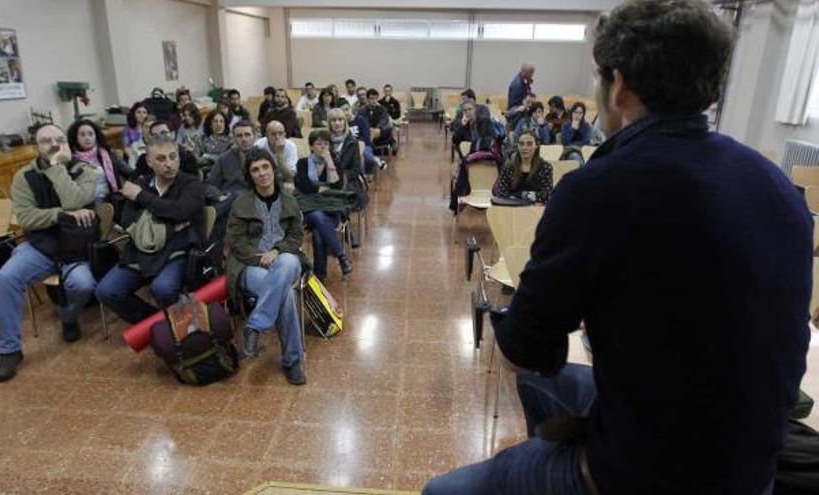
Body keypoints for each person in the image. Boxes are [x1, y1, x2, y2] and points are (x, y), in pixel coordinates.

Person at [424, 1, 810, 494]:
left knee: (442, 491)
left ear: (619, 85)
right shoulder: (777, 186)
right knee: (543, 386)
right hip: (752, 467)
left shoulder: (597, 189)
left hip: (654, 475)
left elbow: (524, 348)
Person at [0, 123, 99, 382]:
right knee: (6, 278)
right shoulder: (23, 176)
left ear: (67, 143)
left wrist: (56, 168)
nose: (53, 145)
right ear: (36, 147)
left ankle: (68, 316)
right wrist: (62, 215)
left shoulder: (85, 170)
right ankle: (9, 350)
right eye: (46, 141)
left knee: (84, 285)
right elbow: (27, 218)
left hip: (76, 247)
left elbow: (76, 200)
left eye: (59, 139)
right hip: (39, 247)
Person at [96, 134, 206, 325]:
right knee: (106, 291)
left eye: (173, 157)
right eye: (161, 159)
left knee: (162, 287)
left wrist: (142, 199)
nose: (169, 164)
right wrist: (170, 224)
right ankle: (156, 323)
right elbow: (128, 221)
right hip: (141, 251)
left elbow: (181, 211)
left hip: (178, 251)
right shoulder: (140, 184)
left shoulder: (191, 184)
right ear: (149, 161)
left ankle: (188, 326)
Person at [226, 148, 307, 385]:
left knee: (287, 262)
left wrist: (277, 251)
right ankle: (292, 361)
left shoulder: (289, 201)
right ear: (250, 176)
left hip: (284, 258)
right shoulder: (241, 203)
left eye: (265, 167)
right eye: (255, 170)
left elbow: (296, 236)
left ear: (273, 169)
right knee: (286, 297)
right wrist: (261, 257)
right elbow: (236, 242)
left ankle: (255, 325)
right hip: (249, 264)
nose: (261, 173)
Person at [207, 120, 282, 247]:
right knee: (226, 216)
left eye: (247, 135)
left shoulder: (264, 157)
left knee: (237, 197)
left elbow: (277, 182)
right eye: (239, 136)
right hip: (229, 205)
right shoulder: (224, 158)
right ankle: (212, 260)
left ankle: (209, 216)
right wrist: (220, 196)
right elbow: (209, 184)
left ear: (254, 136)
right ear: (234, 139)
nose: (244, 139)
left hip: (256, 202)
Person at [294, 129, 354, 281]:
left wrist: (329, 162)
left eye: (326, 144)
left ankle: (320, 275)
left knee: (319, 233)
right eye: (318, 143)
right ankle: (341, 257)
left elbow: (337, 186)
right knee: (316, 215)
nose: (322, 147)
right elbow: (303, 187)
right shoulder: (302, 163)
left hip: (331, 211)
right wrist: (322, 189)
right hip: (307, 210)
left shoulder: (335, 163)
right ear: (311, 146)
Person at [67, 119, 130, 203]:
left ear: (96, 136)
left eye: (90, 134)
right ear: (76, 138)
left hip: (109, 200)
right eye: (82, 135)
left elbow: (128, 172)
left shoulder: (107, 154)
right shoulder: (70, 160)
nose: (87, 138)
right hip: (84, 205)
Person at [494, 131, 553, 203]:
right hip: (511, 210)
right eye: (521, 144)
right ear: (517, 146)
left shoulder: (545, 167)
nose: (524, 148)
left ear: (536, 145)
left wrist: (516, 195)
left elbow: (547, 195)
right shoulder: (508, 167)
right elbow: (502, 194)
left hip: (536, 209)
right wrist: (527, 195)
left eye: (529, 144)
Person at [135, 120, 200, 179]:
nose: (160, 137)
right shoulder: (144, 160)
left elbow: (193, 185)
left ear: (173, 134)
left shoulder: (187, 158)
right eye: (155, 135)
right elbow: (133, 182)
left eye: (163, 133)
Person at [339, 99, 386, 172]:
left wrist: (356, 145)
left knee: (360, 153)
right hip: (348, 147)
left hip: (365, 146)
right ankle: (376, 160)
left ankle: (361, 177)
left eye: (347, 109)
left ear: (350, 109)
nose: (346, 113)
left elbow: (366, 138)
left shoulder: (361, 120)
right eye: (342, 111)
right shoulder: (341, 124)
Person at [328, 108, 363, 177]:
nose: (337, 123)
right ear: (329, 124)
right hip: (328, 179)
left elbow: (356, 170)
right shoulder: (325, 141)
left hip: (348, 180)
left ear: (345, 122)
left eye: (340, 120)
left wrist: (339, 176)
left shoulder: (353, 142)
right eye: (333, 120)